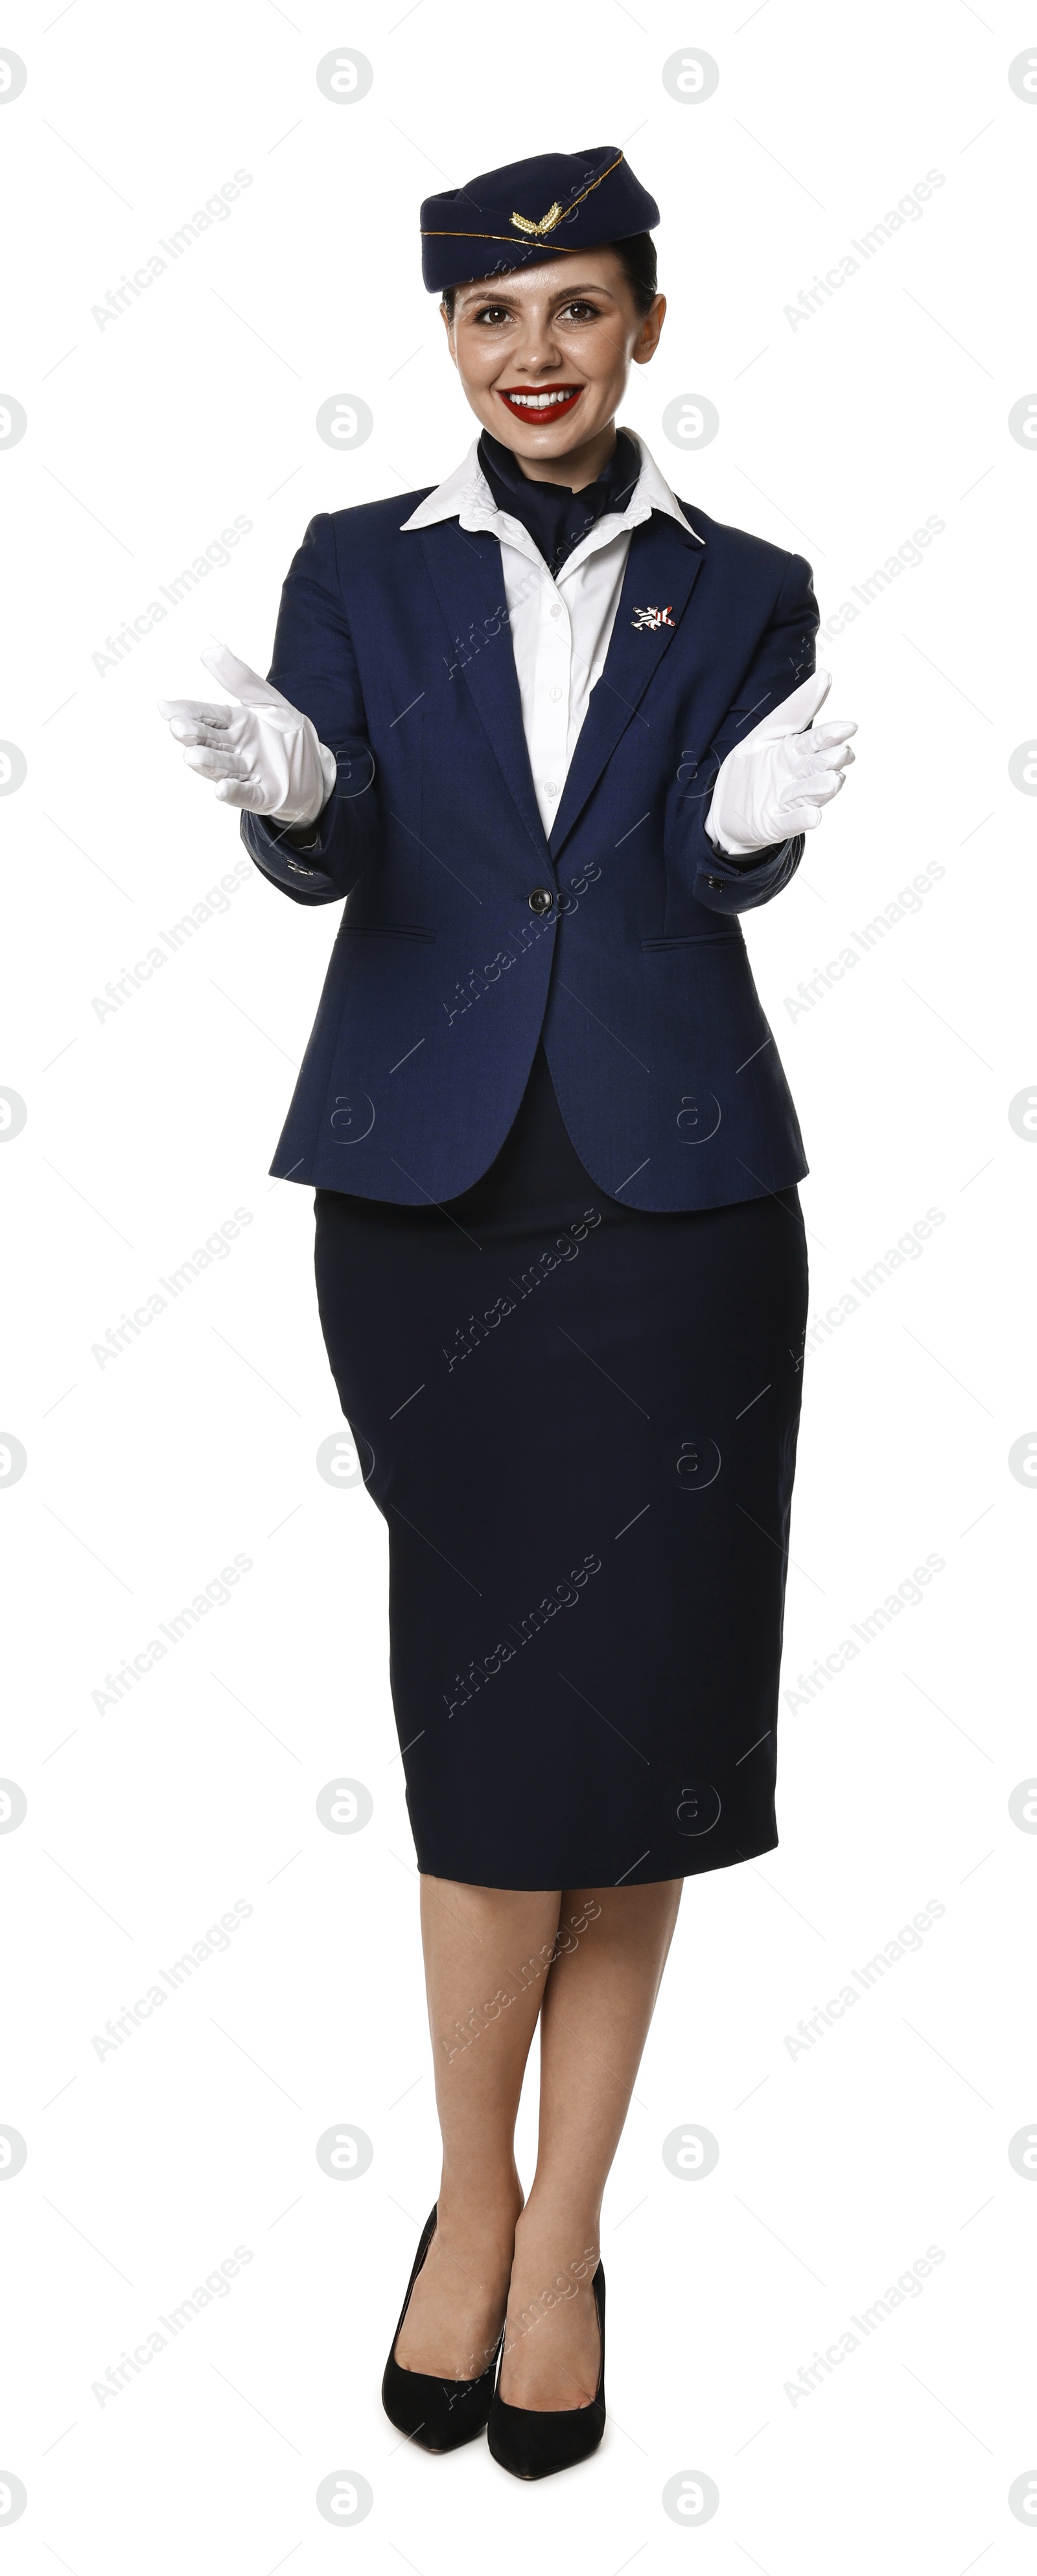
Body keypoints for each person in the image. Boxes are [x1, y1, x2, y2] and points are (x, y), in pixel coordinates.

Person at [159, 144, 856, 2481]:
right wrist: (294, 796)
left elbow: (681, 862)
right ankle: (467, 2210)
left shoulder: (748, 590)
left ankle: (564, 2240)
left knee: (640, 1727)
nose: (532, 355)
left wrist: (754, 831)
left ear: (646, 322)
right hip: (429, 1206)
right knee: (489, 1716)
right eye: (490, 318)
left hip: (677, 1218)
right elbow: (342, 834)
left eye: (575, 308)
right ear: (448, 343)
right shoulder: (362, 567)